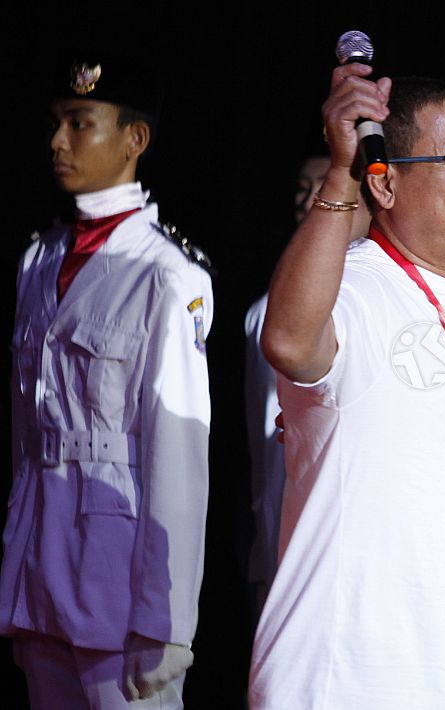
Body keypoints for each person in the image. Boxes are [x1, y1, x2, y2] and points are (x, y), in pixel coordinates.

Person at [248, 61, 445, 709]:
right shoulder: (353, 289)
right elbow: (288, 342)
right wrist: (342, 168)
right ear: (387, 184)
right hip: (349, 681)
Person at [1, 54, 213, 708]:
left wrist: (170, 618)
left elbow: (179, 455)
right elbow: (24, 433)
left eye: (80, 122)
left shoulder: (164, 272)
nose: (58, 141)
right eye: (56, 123)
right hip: (39, 567)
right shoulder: (39, 261)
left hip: (120, 582)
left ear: (134, 140)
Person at [243, 150, 371, 616]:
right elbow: (268, 453)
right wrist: (265, 560)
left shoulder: (398, 297)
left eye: (328, 187)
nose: (310, 201)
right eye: (302, 191)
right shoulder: (270, 312)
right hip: (297, 544)